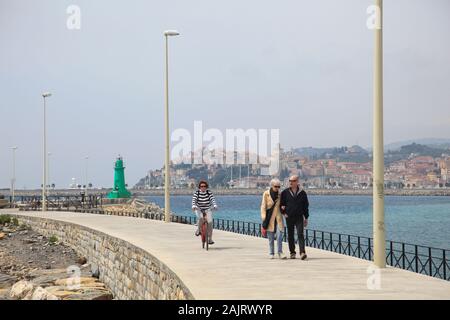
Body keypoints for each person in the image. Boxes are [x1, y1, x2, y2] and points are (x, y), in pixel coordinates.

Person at [280, 175, 309, 260]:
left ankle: (302, 252)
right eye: (290, 180)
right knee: (290, 235)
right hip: (289, 217)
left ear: (297, 182)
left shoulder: (302, 193)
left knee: (300, 234)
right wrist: (284, 213)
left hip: (299, 217)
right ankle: (292, 252)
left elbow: (305, 206)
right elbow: (281, 204)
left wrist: (306, 218)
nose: (290, 182)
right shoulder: (285, 192)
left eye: (292, 181)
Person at [260, 179, 287, 259]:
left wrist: (284, 210)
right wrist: (263, 217)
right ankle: (271, 252)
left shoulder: (280, 194)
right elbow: (263, 206)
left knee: (279, 236)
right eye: (276, 186)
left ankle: (280, 252)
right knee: (271, 237)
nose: (277, 188)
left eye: (279, 186)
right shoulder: (266, 194)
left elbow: (283, 204)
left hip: (278, 218)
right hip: (269, 218)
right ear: (272, 186)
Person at [192, 181, 217, 245]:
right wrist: (194, 206)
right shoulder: (197, 193)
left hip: (207, 209)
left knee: (210, 222)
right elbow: (194, 200)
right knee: (201, 218)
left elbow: (212, 199)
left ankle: (210, 239)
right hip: (199, 209)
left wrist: (215, 205)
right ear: (199, 187)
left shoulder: (209, 193)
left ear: (206, 187)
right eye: (201, 186)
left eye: (204, 186)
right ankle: (199, 230)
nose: (203, 187)